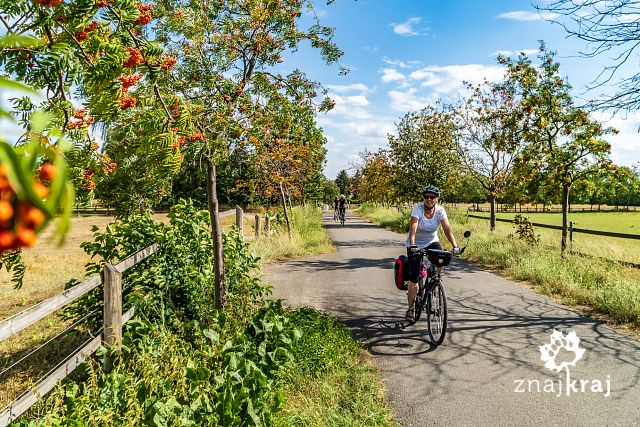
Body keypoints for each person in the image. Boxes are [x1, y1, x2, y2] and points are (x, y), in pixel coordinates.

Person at [405, 185, 460, 322]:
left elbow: (447, 230)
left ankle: (436, 279)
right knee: (414, 278)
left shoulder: (440, 211)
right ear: (424, 198)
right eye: (426, 197)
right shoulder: (418, 209)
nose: (429, 199)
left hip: (432, 241)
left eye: (432, 197)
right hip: (415, 244)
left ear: (437, 199)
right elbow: (413, 228)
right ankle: (410, 309)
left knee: (442, 258)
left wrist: (455, 246)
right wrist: (412, 245)